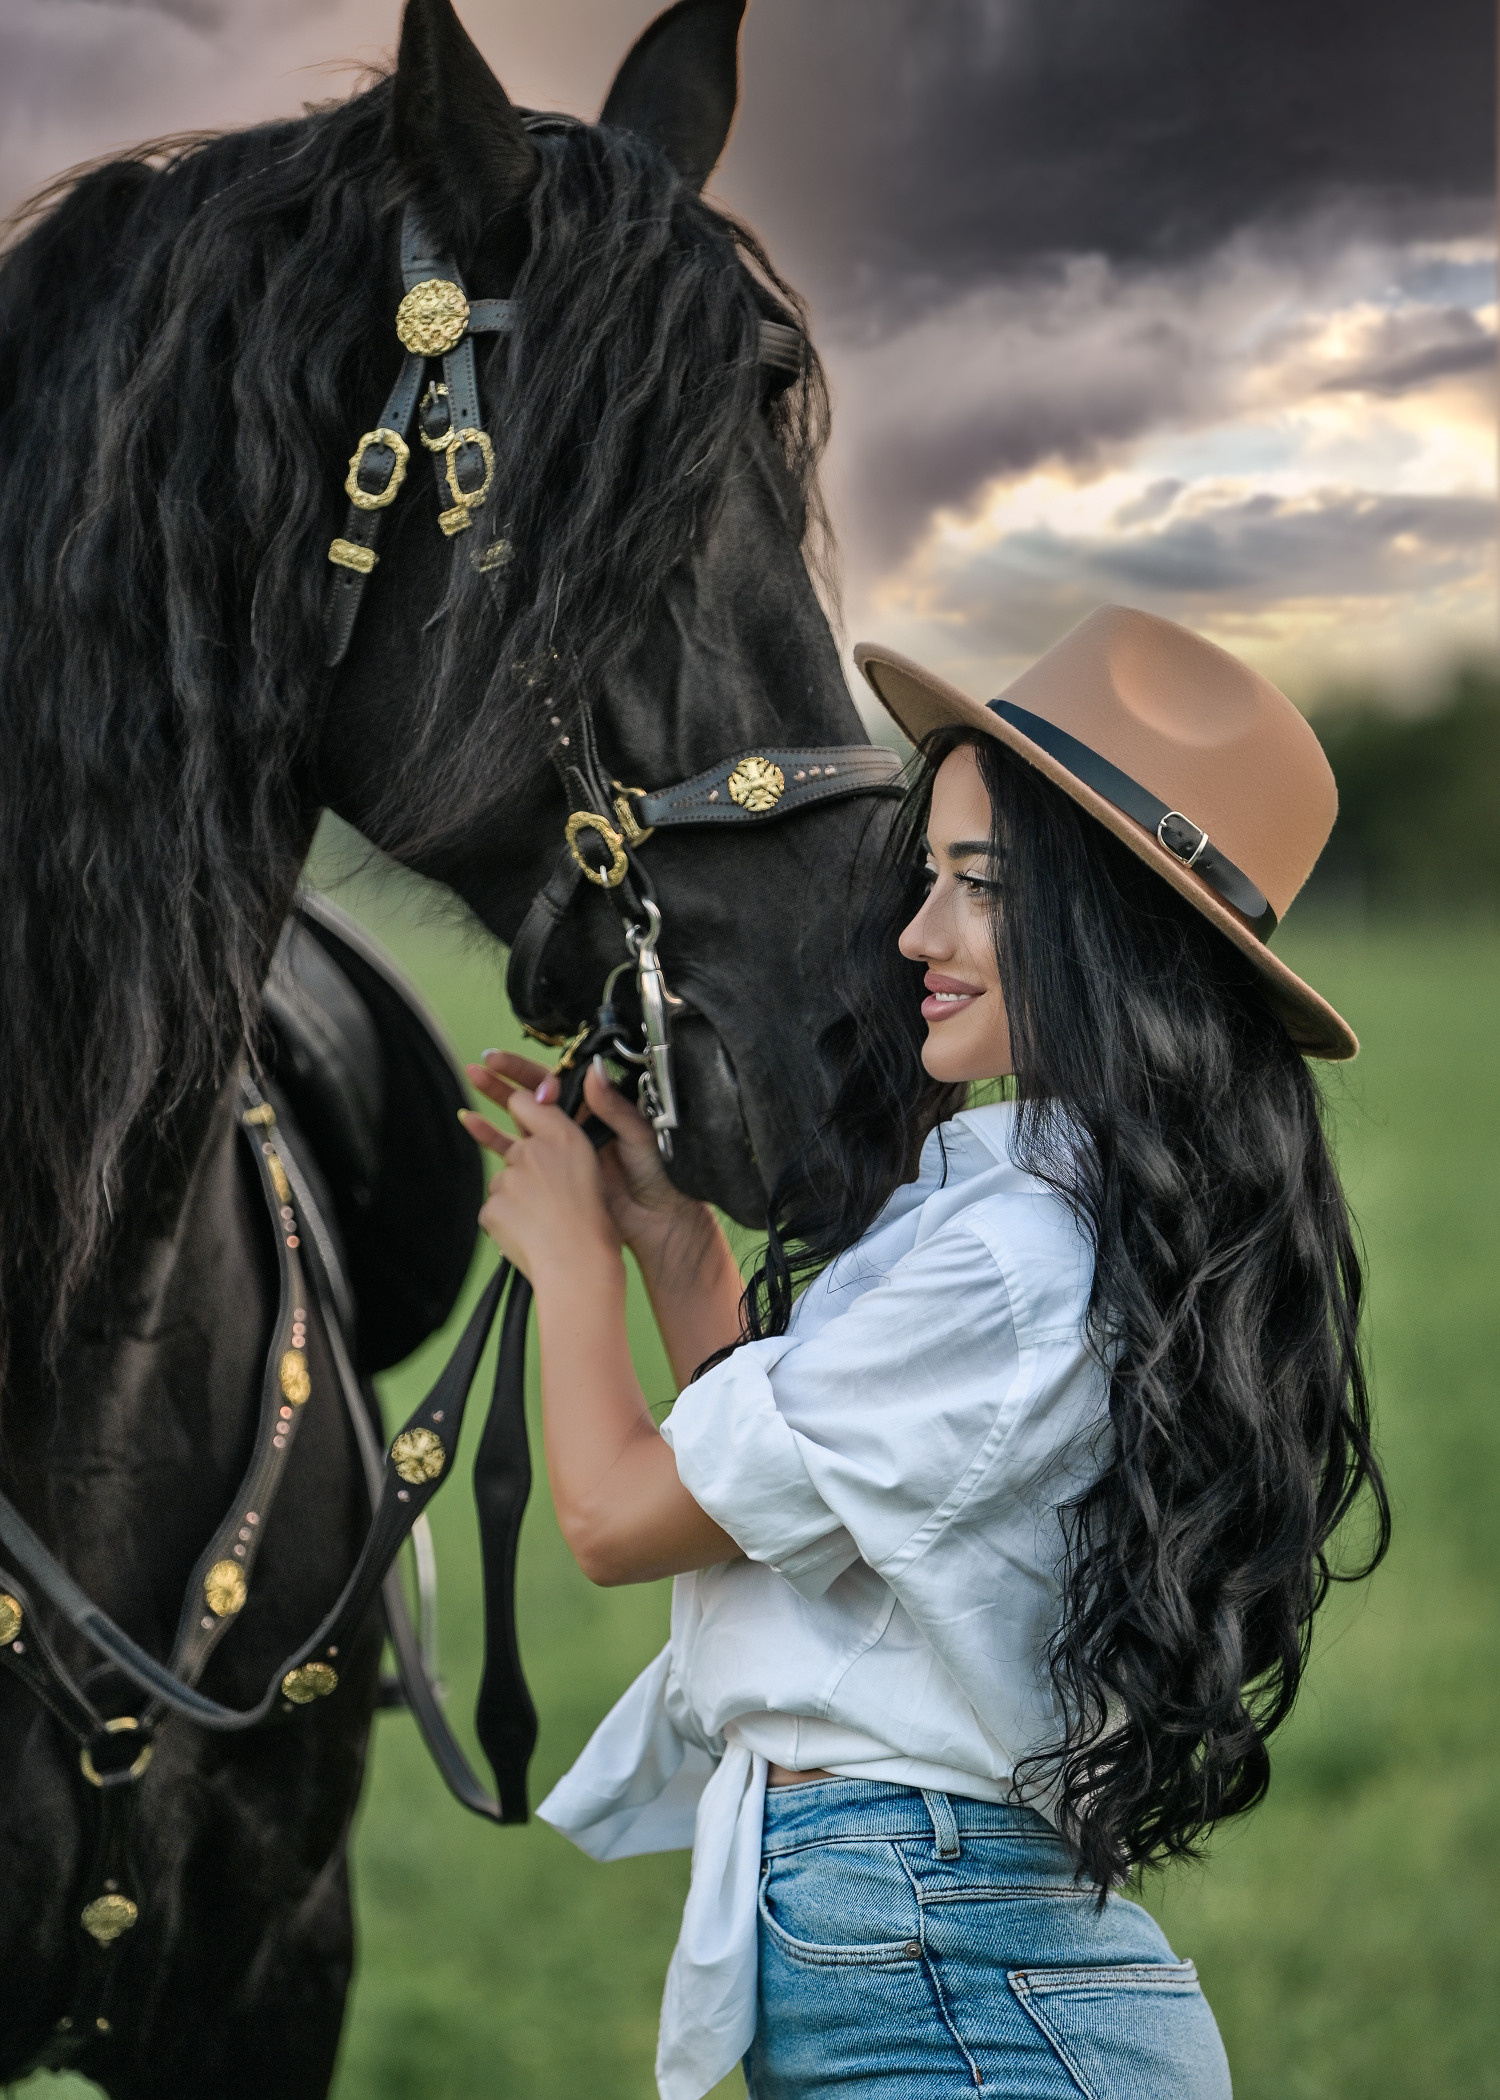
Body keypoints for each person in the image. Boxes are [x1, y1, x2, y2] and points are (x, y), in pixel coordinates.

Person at [461, 605, 1388, 2100]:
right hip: (941, 1960)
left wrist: (570, 1265)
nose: (918, 936)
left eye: (981, 888)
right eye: (928, 878)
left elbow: (617, 1517)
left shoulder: (1013, 1259)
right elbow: (786, 1499)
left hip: (947, 1984)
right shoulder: (1041, 1216)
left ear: (1107, 922)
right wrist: (677, 1252)